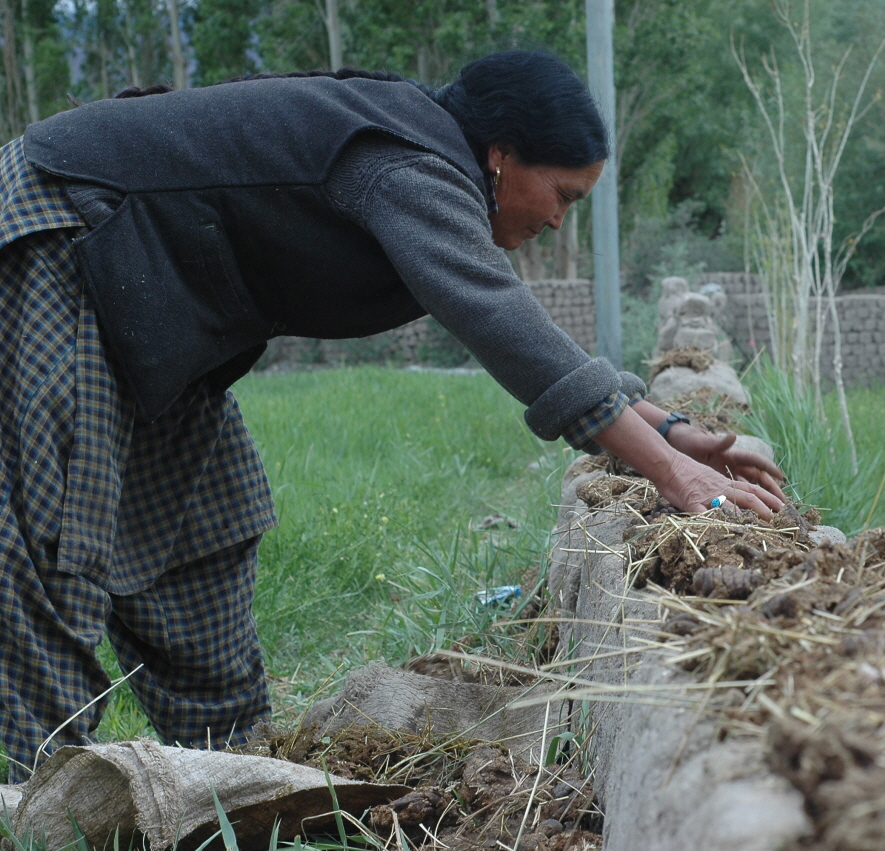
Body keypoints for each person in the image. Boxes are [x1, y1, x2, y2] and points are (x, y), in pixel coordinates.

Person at [0, 51, 785, 780]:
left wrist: (675, 430)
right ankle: (33, 793)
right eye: (564, 196)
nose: (557, 221)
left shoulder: (427, 159)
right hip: (64, 231)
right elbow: (496, 317)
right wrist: (668, 469)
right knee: (56, 535)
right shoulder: (404, 160)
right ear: (501, 154)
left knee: (205, 524)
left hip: (158, 300)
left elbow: (518, 318)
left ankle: (225, 773)